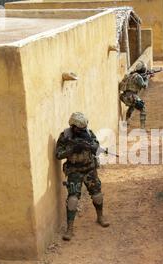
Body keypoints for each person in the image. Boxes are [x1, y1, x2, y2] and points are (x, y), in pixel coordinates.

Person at [55, 112, 110, 241]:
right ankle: (70, 229)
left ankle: (100, 217)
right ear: (73, 127)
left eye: (84, 128)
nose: (82, 131)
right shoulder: (65, 136)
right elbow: (58, 154)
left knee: (97, 195)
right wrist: (73, 149)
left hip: (90, 169)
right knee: (73, 200)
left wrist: (90, 146)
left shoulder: (89, 134)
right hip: (74, 171)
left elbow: (97, 147)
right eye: (80, 129)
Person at [119, 61, 149, 129]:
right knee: (142, 107)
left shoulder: (129, 75)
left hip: (123, 96)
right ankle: (143, 127)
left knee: (133, 106)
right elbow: (144, 86)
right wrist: (147, 79)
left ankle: (126, 121)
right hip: (131, 97)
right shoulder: (138, 77)